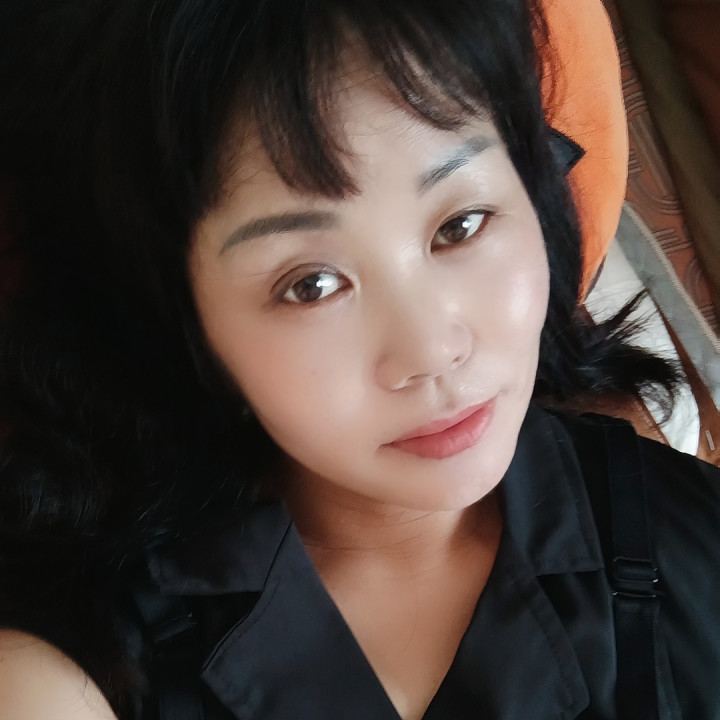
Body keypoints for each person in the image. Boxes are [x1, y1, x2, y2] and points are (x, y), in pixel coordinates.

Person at [0, 1, 718, 719]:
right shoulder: (66, 670)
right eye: (311, 285)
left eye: (460, 225)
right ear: (185, 325)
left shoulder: (696, 544)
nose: (432, 351)